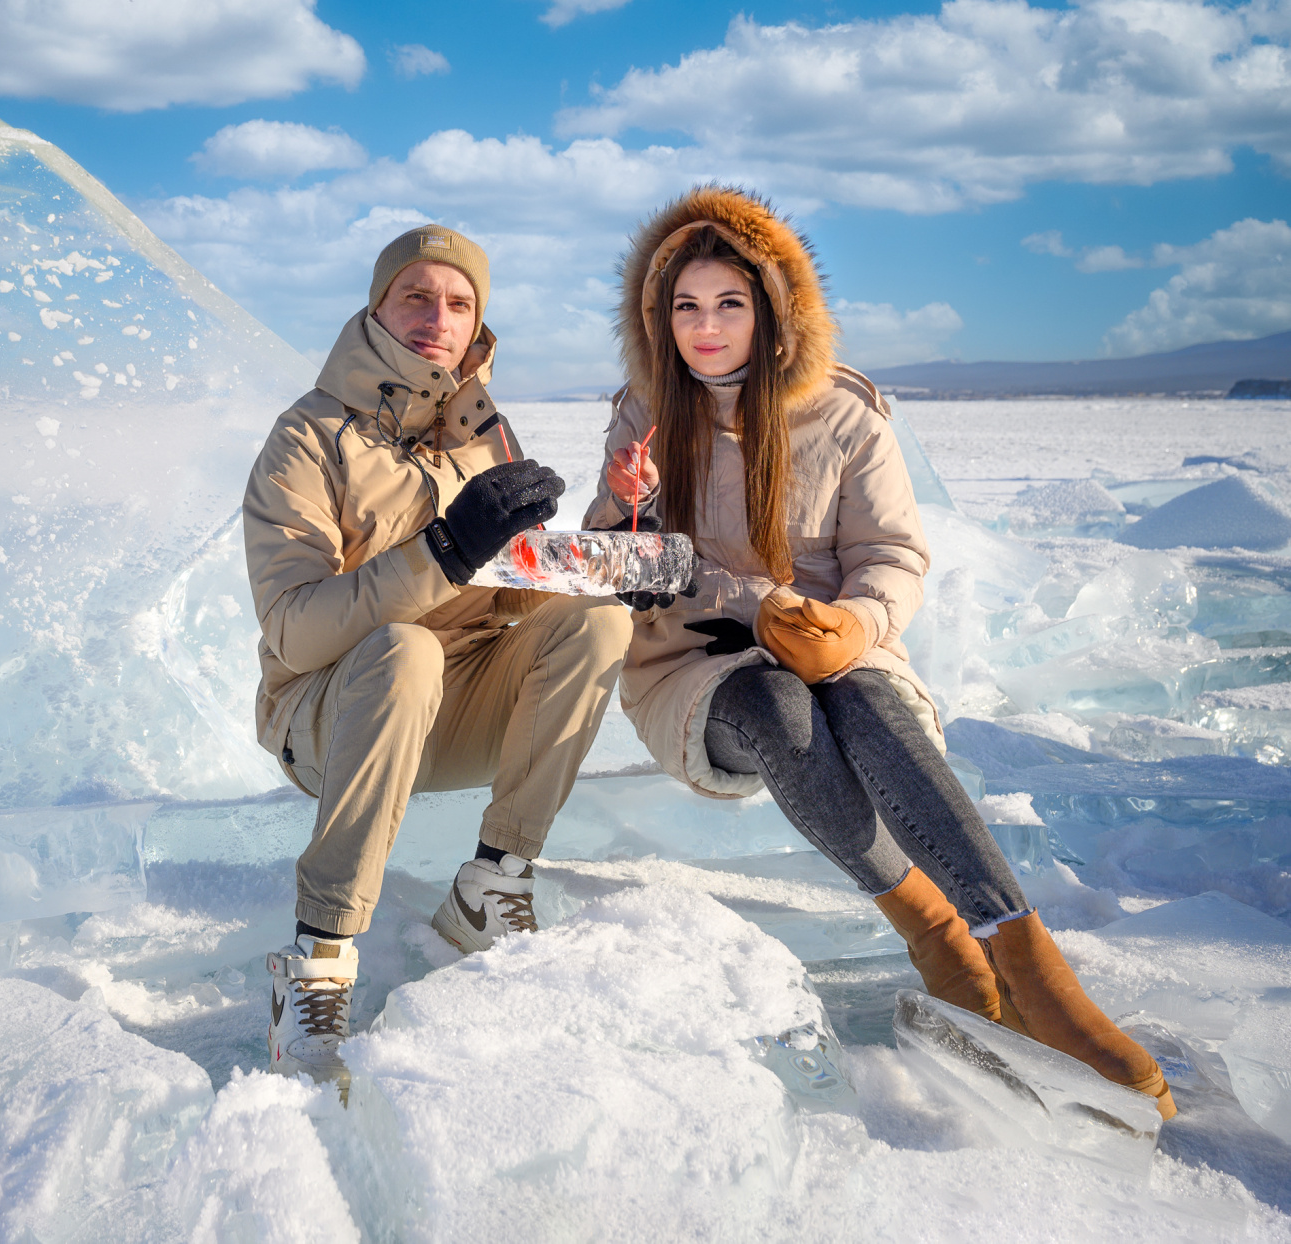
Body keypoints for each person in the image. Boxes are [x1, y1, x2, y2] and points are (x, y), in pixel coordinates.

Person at [585, 185, 1175, 1120]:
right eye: (685, 306)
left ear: (771, 309)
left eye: (729, 303)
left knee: (863, 700)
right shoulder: (645, 414)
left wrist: (856, 626)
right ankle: (936, 935)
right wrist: (631, 506)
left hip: (836, 640)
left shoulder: (845, 411)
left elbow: (893, 556)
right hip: (698, 659)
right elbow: (617, 565)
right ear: (660, 319)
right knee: (779, 708)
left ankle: (1027, 964)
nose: (706, 327)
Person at [244, 225, 634, 1091]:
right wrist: (443, 551)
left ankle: (492, 886)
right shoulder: (307, 437)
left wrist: (598, 572)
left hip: (453, 713)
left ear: (477, 323)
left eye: (460, 303)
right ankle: (317, 960)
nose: (438, 317)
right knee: (405, 649)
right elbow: (295, 630)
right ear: (377, 308)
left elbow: (506, 596)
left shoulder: (482, 431)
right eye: (416, 296)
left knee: (599, 623)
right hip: (334, 718)